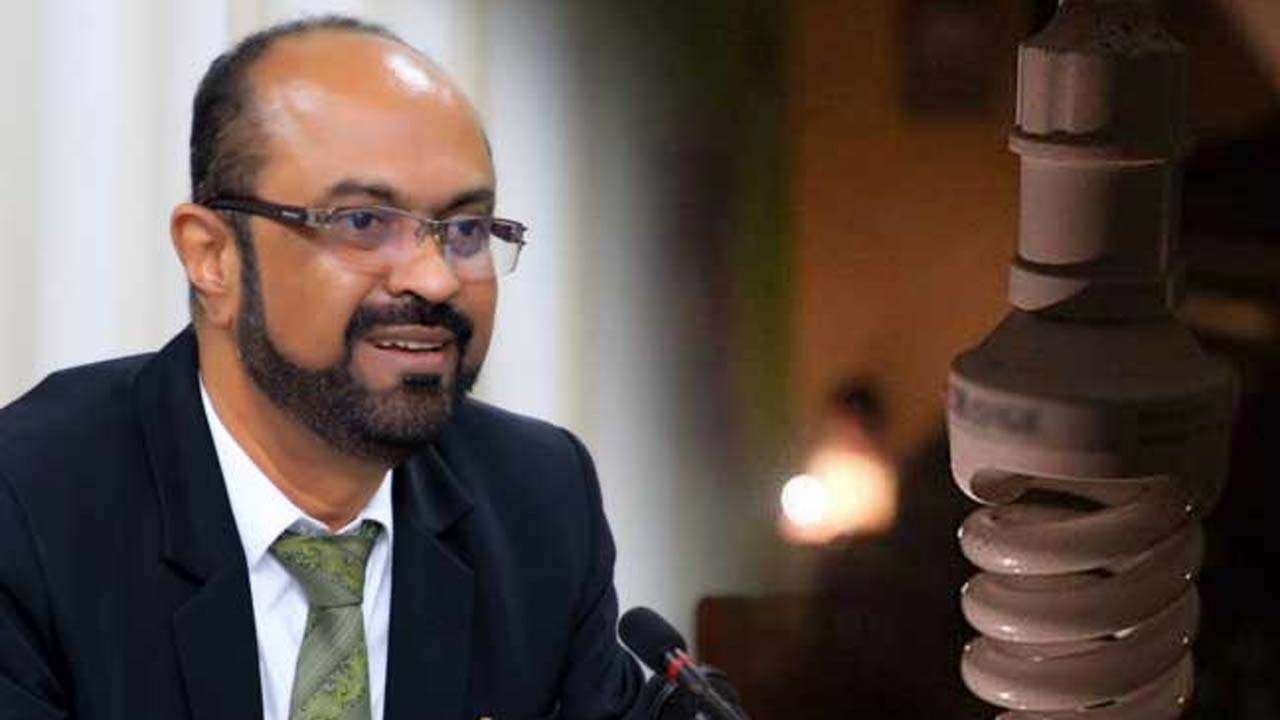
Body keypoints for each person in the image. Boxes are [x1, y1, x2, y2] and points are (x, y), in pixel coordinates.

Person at [0, 16, 652, 720]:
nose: (434, 279)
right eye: (364, 223)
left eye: (465, 230)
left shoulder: (537, 500)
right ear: (212, 257)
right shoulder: (30, 505)